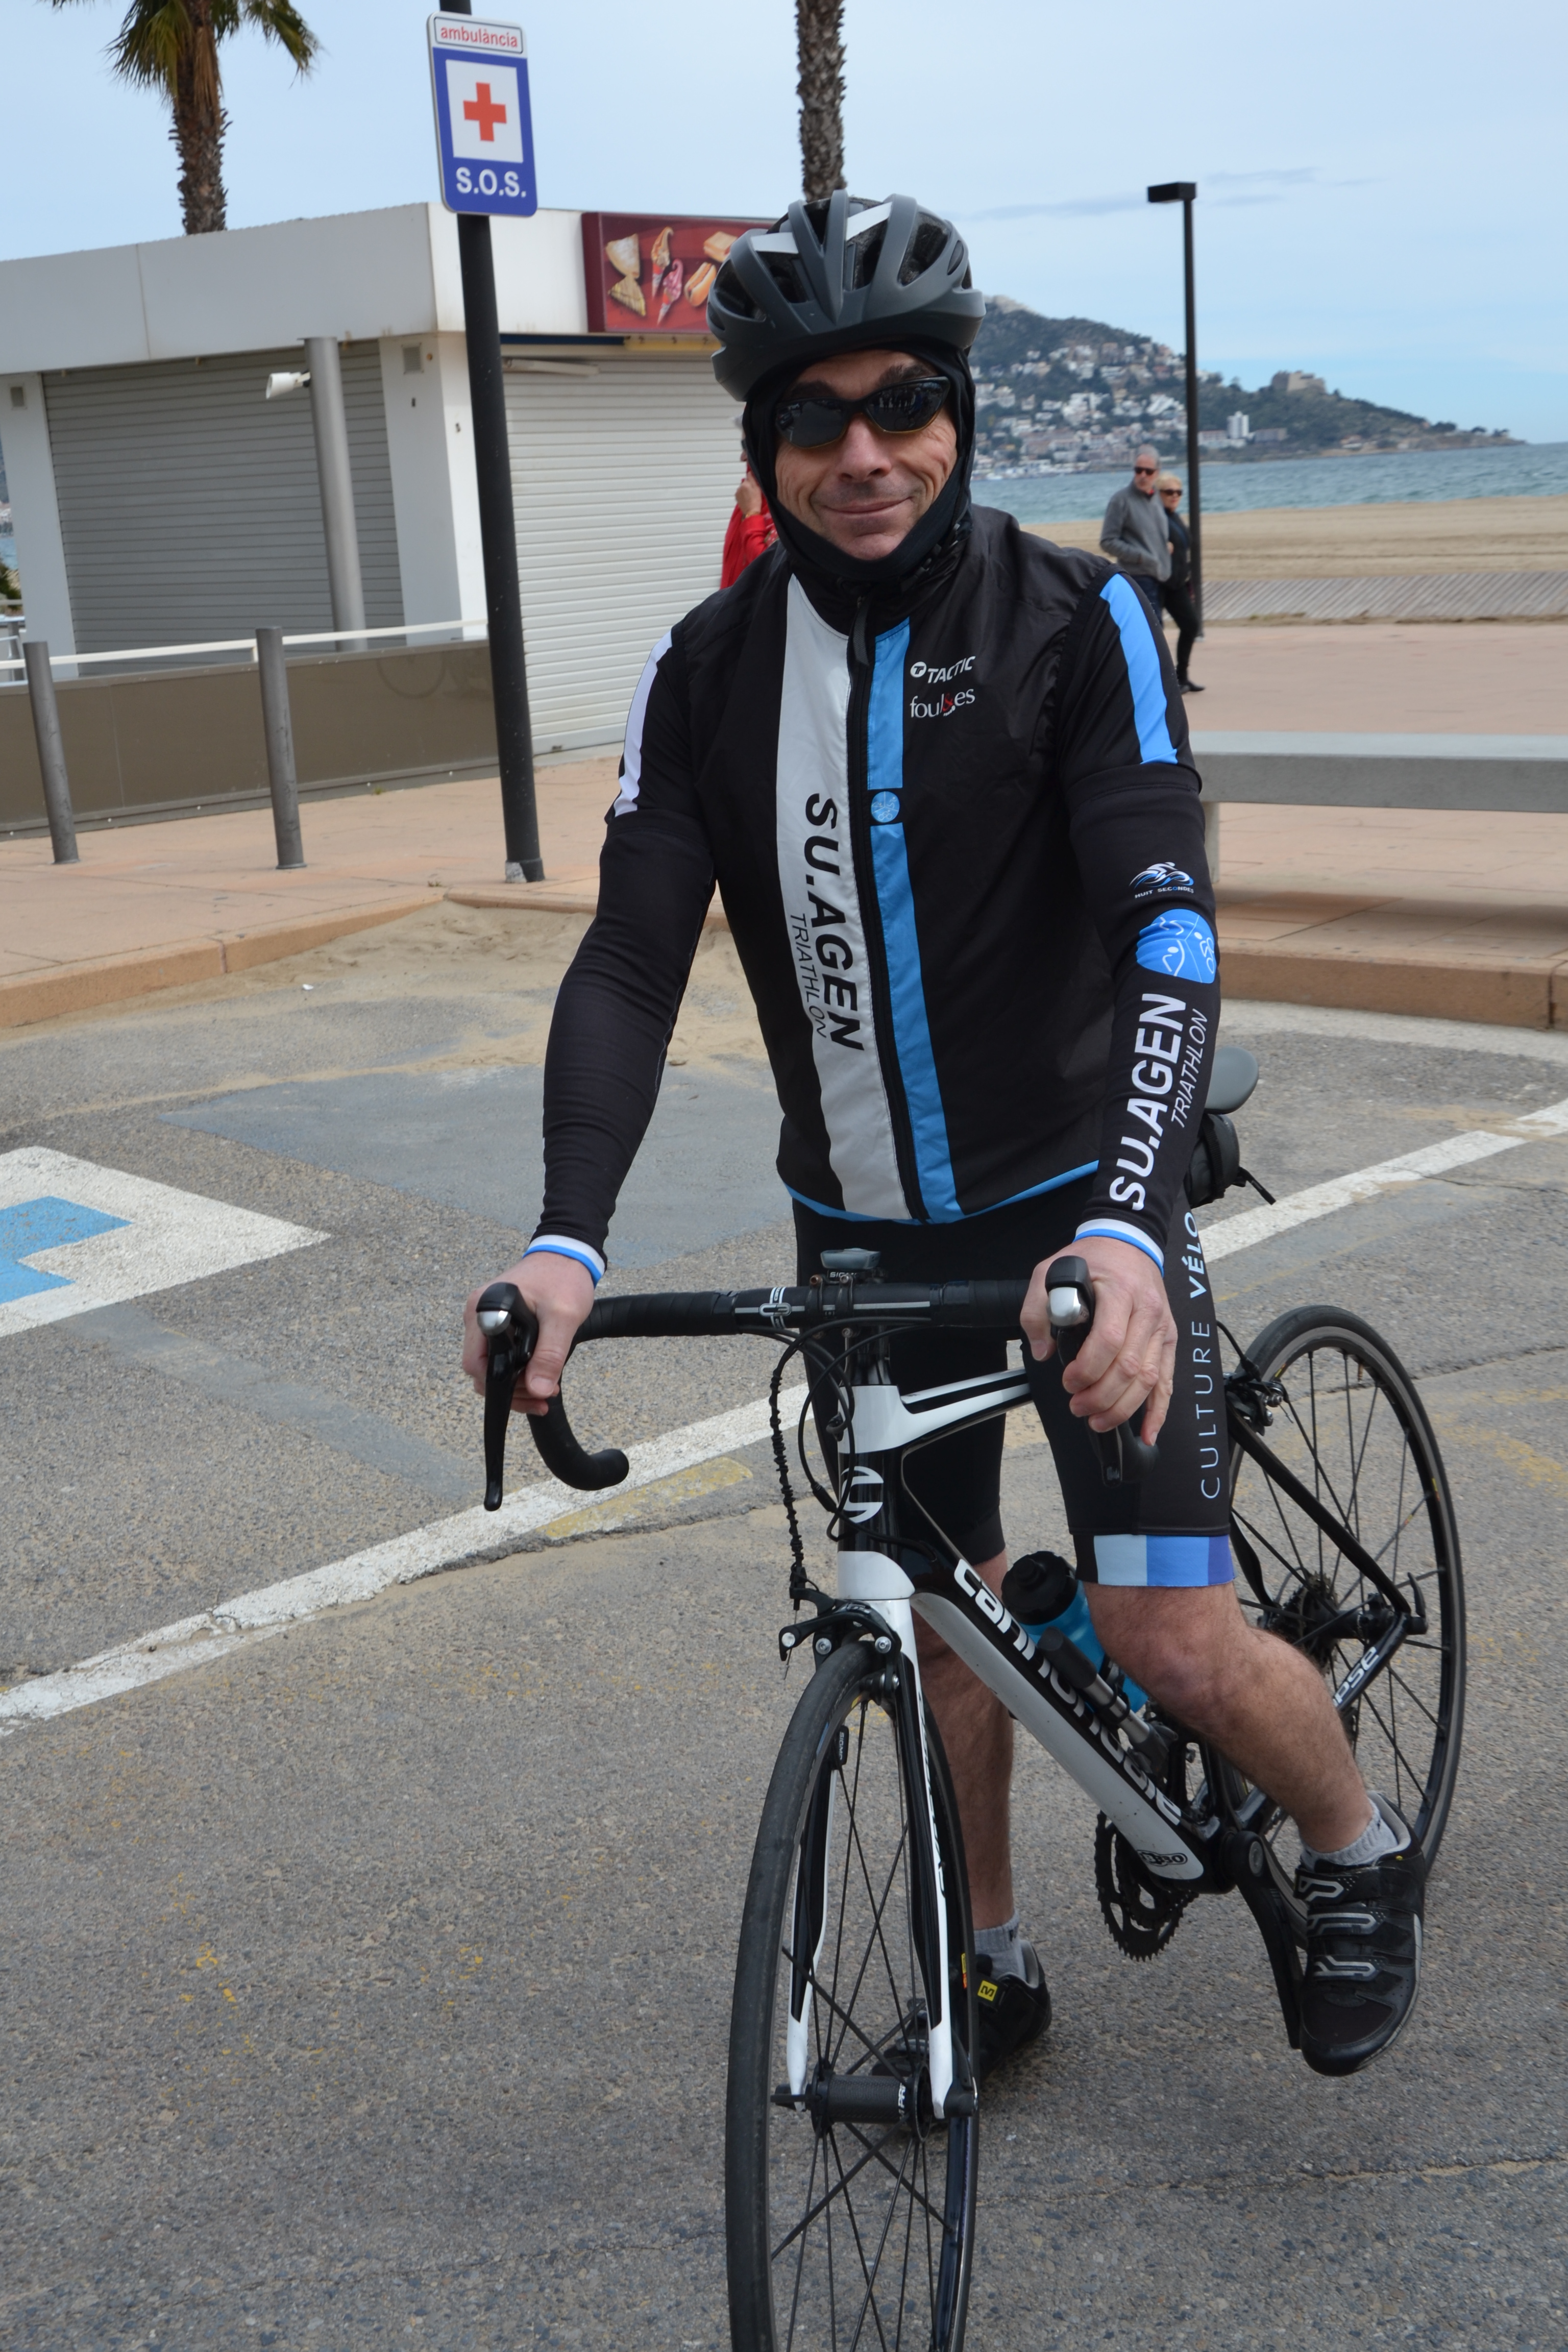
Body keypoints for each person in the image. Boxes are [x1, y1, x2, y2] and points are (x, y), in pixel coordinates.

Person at [462, 193, 1425, 2086]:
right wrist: (564, 1239)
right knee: (931, 1622)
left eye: (902, 403)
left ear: (960, 414)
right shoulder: (706, 671)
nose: (865, 452)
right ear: (763, 450)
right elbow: (631, 961)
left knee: (1168, 1634)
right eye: (813, 419)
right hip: (862, 1234)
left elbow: (1165, 928)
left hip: (1079, 1204)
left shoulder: (1075, 619)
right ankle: (987, 1955)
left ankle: (1352, 1843)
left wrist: (1130, 1226)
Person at [1099, 446, 1171, 614]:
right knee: (1152, 626)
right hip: (1138, 577)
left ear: (1157, 472)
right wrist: (1139, 557)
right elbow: (1107, 541)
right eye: (1139, 470)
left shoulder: (1157, 498)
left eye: (1149, 471)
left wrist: (1166, 545)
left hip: (1162, 576)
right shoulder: (1120, 500)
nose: (1143, 476)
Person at [1157, 472, 1203, 693]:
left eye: (1178, 492)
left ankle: (1181, 677)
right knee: (1155, 632)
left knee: (1191, 625)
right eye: (1169, 492)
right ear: (1158, 494)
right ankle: (1160, 681)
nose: (1174, 496)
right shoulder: (1156, 517)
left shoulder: (1175, 516)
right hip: (1158, 582)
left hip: (1177, 584)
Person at [720, 460, 776, 587]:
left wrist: (752, 515)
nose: (742, 457)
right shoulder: (747, 495)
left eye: (747, 449)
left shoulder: (786, 503)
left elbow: (773, 570)